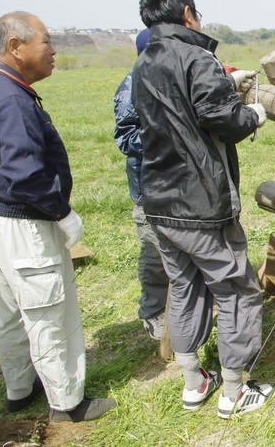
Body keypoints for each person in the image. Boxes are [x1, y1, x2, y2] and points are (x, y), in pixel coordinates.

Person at [0, 11, 115, 422]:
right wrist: (62, 213)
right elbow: (25, 174)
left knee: (12, 309)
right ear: (15, 47)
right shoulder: (11, 100)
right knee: (49, 312)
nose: (53, 50)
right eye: (46, 41)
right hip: (22, 224)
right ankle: (67, 404)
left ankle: (19, 388)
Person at [131, 0, 273, 418]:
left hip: (160, 200)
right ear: (188, 14)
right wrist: (251, 114)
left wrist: (225, 82)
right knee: (236, 289)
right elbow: (220, 118)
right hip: (202, 202)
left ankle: (194, 382)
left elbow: (180, 108)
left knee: (185, 286)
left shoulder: (143, 62)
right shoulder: (197, 57)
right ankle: (234, 390)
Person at [112, 28, 168, 340]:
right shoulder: (132, 85)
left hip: (179, 187)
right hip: (149, 189)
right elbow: (126, 137)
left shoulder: (171, 81)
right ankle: (153, 311)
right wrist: (168, 134)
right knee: (155, 252)